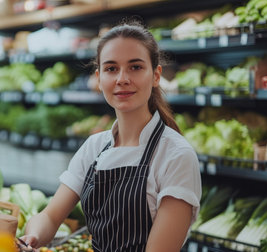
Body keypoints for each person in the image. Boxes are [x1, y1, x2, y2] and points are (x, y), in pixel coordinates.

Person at [20, 21, 202, 252]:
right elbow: (50, 217)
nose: (122, 79)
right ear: (99, 78)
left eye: (135, 67)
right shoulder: (94, 146)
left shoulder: (176, 155)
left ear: (156, 75)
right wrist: (33, 236)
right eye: (111, 68)